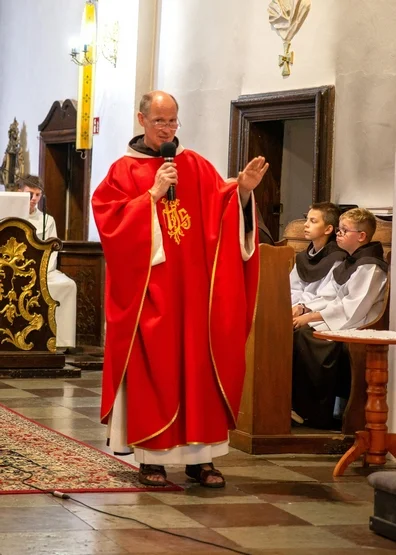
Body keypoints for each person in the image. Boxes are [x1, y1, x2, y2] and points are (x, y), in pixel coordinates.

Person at [92, 90, 268, 487]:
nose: (168, 129)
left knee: (198, 371)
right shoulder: (122, 171)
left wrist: (242, 191)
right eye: (160, 122)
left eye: (173, 122)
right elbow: (109, 221)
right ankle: (150, 458)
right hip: (150, 297)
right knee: (155, 372)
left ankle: (201, 459)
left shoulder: (196, 166)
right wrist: (151, 196)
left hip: (195, 296)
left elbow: (221, 209)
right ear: (142, 120)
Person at [292, 208, 388, 428]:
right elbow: (331, 296)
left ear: (361, 236)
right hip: (342, 319)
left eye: (344, 230)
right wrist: (305, 309)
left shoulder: (369, 267)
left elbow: (352, 309)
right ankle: (298, 405)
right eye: (339, 230)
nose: (338, 234)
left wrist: (312, 317)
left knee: (307, 336)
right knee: (299, 330)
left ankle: (316, 413)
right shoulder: (351, 261)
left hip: (359, 325)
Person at [19, 176, 77, 349]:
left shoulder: (47, 220)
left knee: (68, 285)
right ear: (19, 192)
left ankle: (60, 342)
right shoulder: (6, 213)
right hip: (10, 269)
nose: (34, 199)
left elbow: (52, 251)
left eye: (37, 195)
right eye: (30, 194)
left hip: (41, 270)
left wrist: (42, 271)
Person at [291, 202, 347, 314]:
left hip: (317, 313)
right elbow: (292, 289)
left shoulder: (337, 258)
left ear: (328, 229)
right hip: (294, 309)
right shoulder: (303, 257)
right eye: (306, 219)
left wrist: (303, 307)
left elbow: (329, 296)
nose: (305, 225)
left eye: (313, 221)